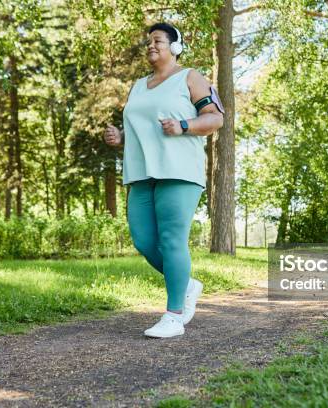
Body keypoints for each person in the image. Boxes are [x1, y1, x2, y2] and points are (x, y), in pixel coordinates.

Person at [104, 22, 224, 338]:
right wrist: (121, 136)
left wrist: (183, 125)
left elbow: (215, 118)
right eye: (148, 42)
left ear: (175, 46)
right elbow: (140, 126)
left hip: (179, 169)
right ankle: (186, 284)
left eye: (158, 40)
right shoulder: (139, 86)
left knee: (172, 239)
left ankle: (173, 316)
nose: (151, 46)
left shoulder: (190, 77)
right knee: (144, 240)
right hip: (141, 172)